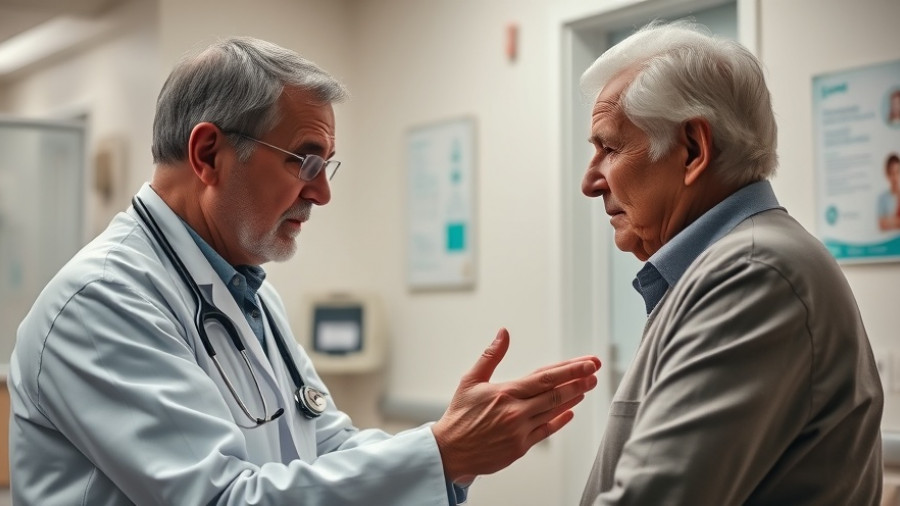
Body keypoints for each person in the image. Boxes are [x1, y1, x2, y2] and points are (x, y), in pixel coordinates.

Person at [8, 37, 601, 505]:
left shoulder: (246, 291)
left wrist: (453, 449)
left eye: (326, 166)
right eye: (305, 161)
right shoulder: (100, 303)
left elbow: (322, 446)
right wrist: (439, 452)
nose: (321, 193)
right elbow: (220, 499)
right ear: (208, 153)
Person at [576, 20, 883, 505]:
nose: (590, 182)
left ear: (694, 149)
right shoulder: (732, 265)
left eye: (609, 148)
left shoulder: (753, 273)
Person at [879, 153, 900, 231]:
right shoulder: (883, 198)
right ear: (887, 174)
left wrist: (890, 221)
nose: (895, 177)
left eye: (898, 172)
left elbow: (886, 222)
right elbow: (882, 224)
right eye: (892, 173)